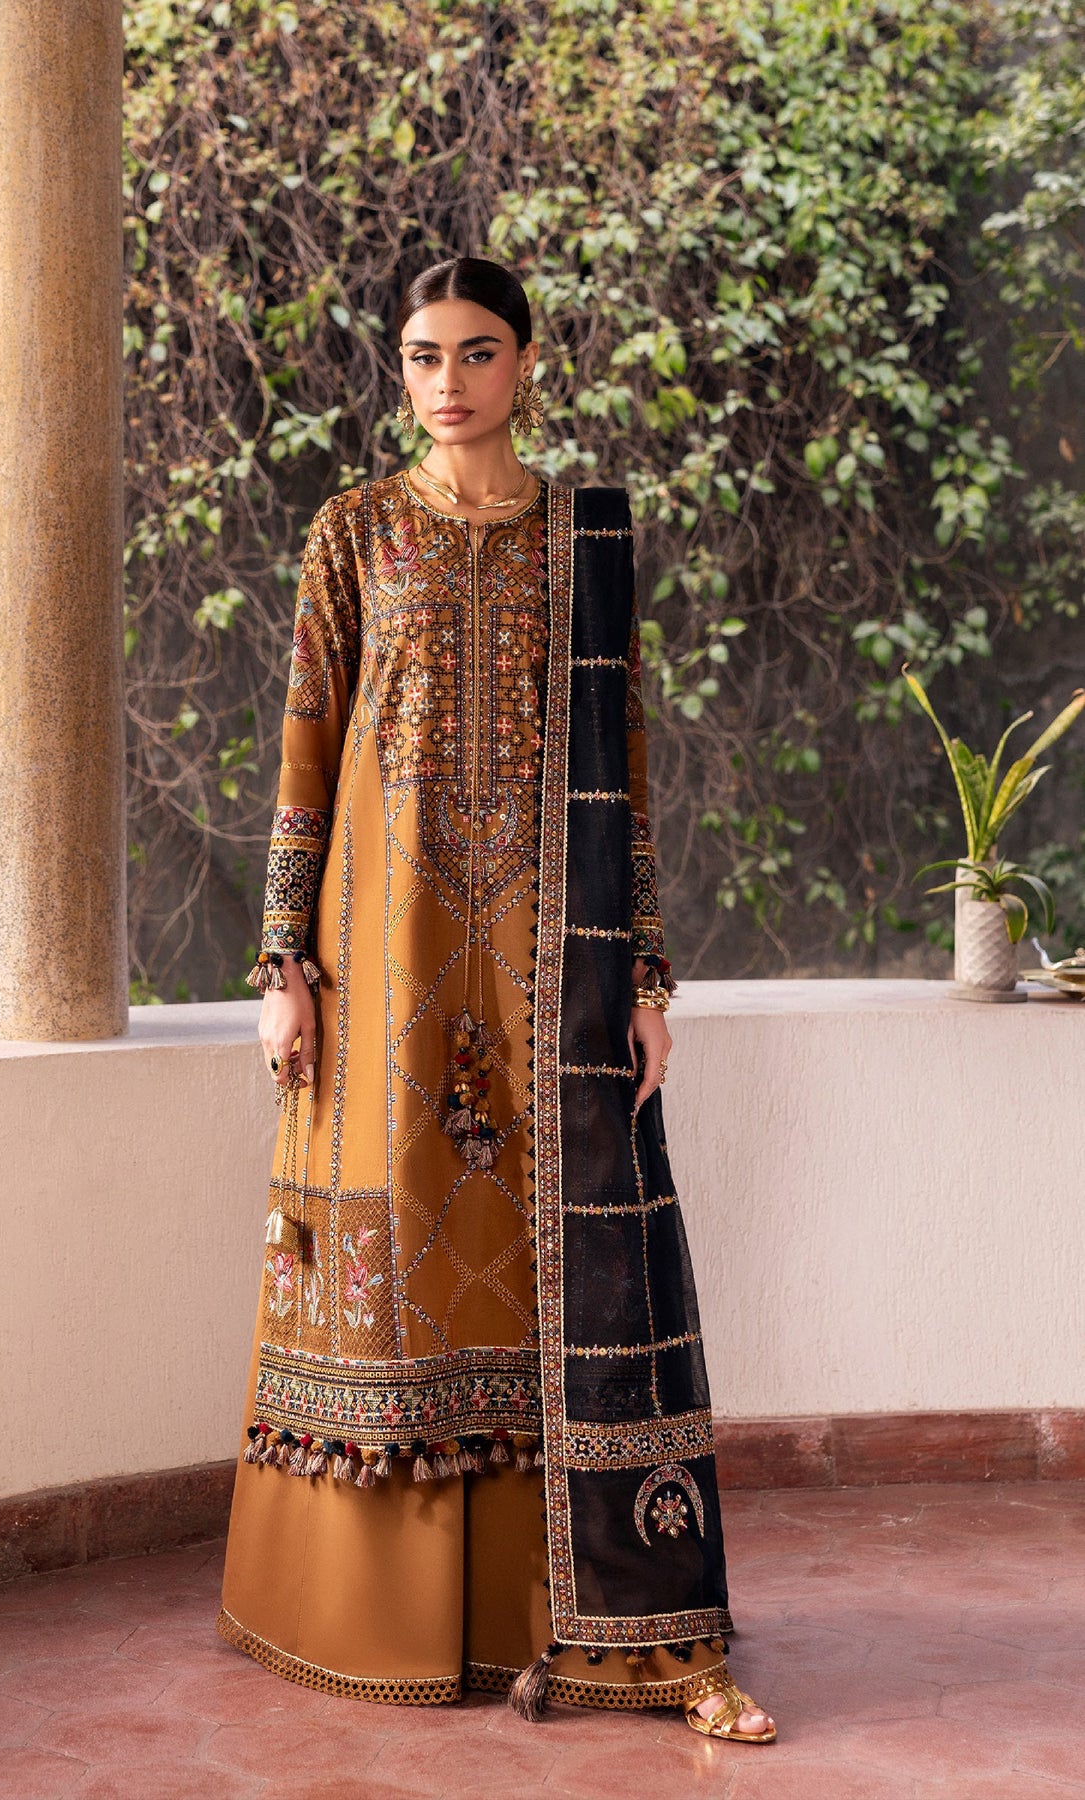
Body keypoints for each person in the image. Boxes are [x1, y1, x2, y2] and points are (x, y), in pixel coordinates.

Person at [217, 255, 776, 1744]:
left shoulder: (582, 542)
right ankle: (370, 1613)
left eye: (475, 352)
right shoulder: (353, 531)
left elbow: (622, 769)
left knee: (551, 1259)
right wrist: (284, 966)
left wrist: (642, 975)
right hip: (381, 954)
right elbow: (305, 745)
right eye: (421, 355)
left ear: (526, 362)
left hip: (548, 962)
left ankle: (590, 1615)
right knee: (392, 1247)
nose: (447, 382)